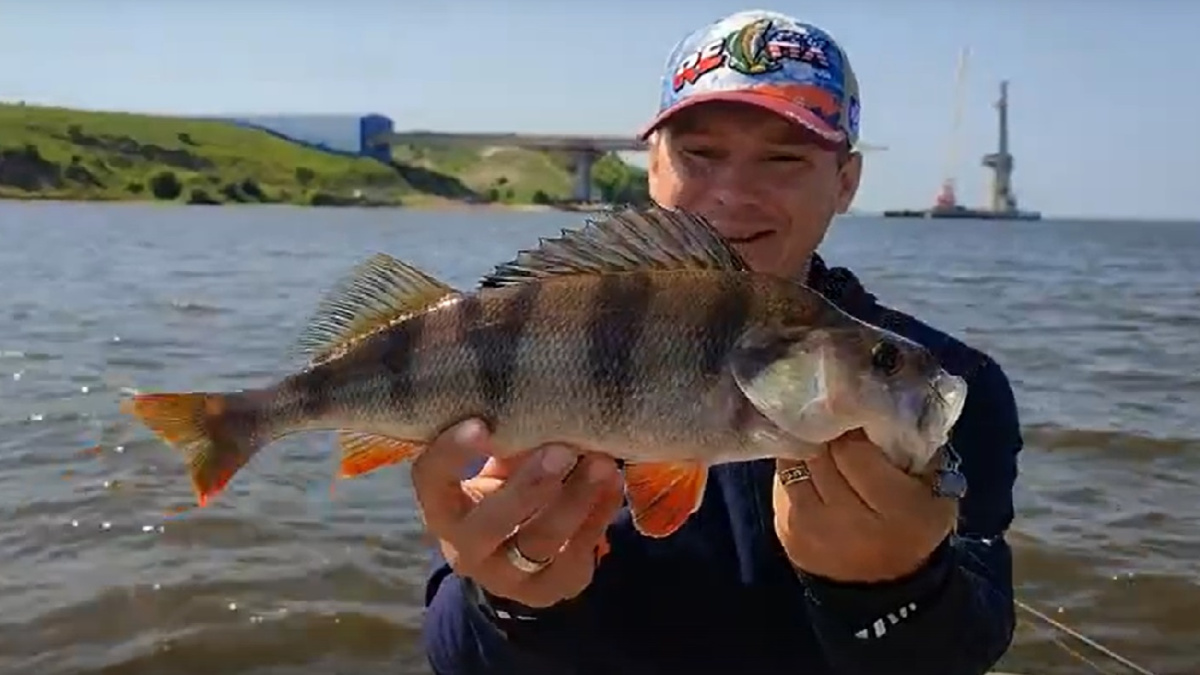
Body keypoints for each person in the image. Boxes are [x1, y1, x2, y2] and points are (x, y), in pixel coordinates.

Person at [416, 9, 1021, 675]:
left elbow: (968, 647)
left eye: (784, 159)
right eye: (699, 155)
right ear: (652, 168)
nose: (732, 193)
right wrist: (509, 598)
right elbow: (456, 654)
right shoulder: (548, 341)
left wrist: (897, 587)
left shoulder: (945, 381)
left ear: (845, 181)